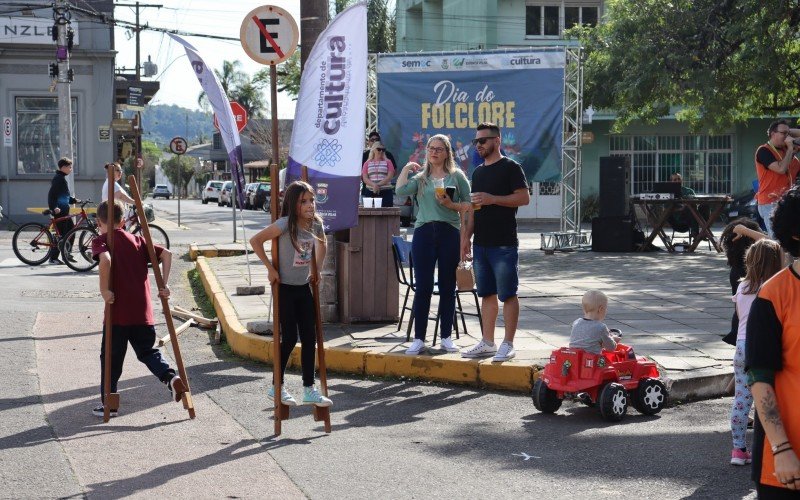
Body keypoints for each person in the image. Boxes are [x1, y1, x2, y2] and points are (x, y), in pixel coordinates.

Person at [90, 200, 184, 418]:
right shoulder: (138, 240)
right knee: (148, 352)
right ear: (123, 221)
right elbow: (167, 254)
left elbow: (105, 260)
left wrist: (104, 289)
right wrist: (164, 284)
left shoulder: (102, 240)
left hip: (117, 314)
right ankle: (170, 378)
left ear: (98, 222)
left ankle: (110, 403)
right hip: (142, 314)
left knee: (110, 359)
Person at [249, 181, 332, 408]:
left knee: (309, 338)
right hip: (284, 287)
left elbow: (322, 246)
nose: (309, 205)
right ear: (293, 204)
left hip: (303, 286)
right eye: (303, 201)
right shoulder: (285, 224)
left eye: (312, 200)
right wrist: (270, 268)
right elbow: (255, 241)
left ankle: (309, 389)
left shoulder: (316, 225)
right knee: (289, 339)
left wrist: (318, 270)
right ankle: (277, 385)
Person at [746, 185, 800, 497]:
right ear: (795, 233)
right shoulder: (772, 295)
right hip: (787, 462)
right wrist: (781, 449)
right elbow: (760, 379)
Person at [395, 134, 471, 355]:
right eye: (431, 148)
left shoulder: (457, 176)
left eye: (439, 148)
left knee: (448, 286)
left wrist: (452, 204)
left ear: (447, 152)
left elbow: (470, 205)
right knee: (424, 286)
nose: (434, 152)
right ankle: (419, 338)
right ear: (427, 151)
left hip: (450, 232)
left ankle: (446, 337)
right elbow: (400, 191)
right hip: (424, 232)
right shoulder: (421, 178)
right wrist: (406, 169)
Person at [460, 122, 530, 362]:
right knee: (486, 294)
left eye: (483, 141)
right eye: (475, 142)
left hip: (504, 243)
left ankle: (508, 344)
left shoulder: (511, 167)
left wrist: (493, 199)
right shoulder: (478, 172)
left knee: (508, 294)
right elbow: (475, 208)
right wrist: (466, 237)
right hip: (481, 243)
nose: (478, 145)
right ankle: (487, 342)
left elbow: (524, 197)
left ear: (497, 141)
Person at [730, 239, 784, 467]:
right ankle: (773, 447)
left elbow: (739, 318)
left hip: (742, 347)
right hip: (764, 346)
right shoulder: (773, 288)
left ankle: (738, 449)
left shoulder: (742, 287)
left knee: (742, 400)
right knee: (770, 399)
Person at [754, 119, 800, 237]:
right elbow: (780, 169)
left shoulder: (790, 155)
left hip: (786, 203)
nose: (787, 136)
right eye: (783, 133)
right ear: (773, 134)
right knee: (777, 241)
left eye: (788, 133)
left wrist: (788, 133)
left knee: (790, 242)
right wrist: (790, 149)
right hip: (769, 202)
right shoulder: (763, 150)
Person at [47, 157, 78, 264]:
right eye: (70, 167)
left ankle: (66, 254)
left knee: (70, 233)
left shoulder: (61, 178)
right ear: (63, 167)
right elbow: (52, 195)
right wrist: (54, 207)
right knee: (62, 235)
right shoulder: (58, 179)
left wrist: (74, 200)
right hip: (59, 212)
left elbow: (63, 196)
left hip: (64, 211)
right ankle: (54, 258)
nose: (71, 169)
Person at [568, 290, 620, 354]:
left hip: (574, 357)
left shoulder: (576, 322)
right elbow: (611, 348)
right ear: (600, 309)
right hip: (592, 361)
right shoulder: (601, 327)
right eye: (605, 309)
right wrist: (614, 340)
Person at [361, 141, 396, 207]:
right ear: (374, 150)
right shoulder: (367, 163)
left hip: (386, 191)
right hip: (370, 191)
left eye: (383, 150)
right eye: (379, 149)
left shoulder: (388, 162)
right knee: (369, 213)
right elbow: (365, 178)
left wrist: (377, 185)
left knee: (387, 213)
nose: (381, 151)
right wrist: (373, 185)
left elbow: (390, 176)